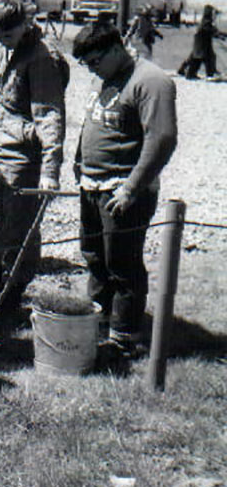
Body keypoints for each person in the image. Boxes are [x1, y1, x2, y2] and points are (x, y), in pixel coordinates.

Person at [73, 20, 177, 359]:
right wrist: (79, 164)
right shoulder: (106, 76)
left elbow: (162, 138)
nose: (91, 70)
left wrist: (131, 188)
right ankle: (98, 324)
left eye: (94, 62)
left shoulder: (151, 81)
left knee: (122, 265)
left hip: (122, 191)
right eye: (86, 65)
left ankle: (124, 337)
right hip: (93, 186)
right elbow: (93, 122)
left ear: (116, 49)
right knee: (94, 258)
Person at [0, 0, 68, 332]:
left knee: (18, 229)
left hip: (23, 156)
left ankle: (11, 298)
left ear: (25, 23)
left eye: (9, 35)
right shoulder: (1, 46)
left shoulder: (41, 58)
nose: (4, 41)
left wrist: (50, 172)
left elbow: (49, 115)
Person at [178, 4, 225, 79]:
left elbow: (212, 31)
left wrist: (220, 35)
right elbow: (210, 31)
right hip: (202, 44)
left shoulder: (206, 21)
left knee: (198, 58)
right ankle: (209, 73)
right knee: (205, 58)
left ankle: (186, 71)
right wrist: (220, 35)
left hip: (201, 44)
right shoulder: (206, 22)